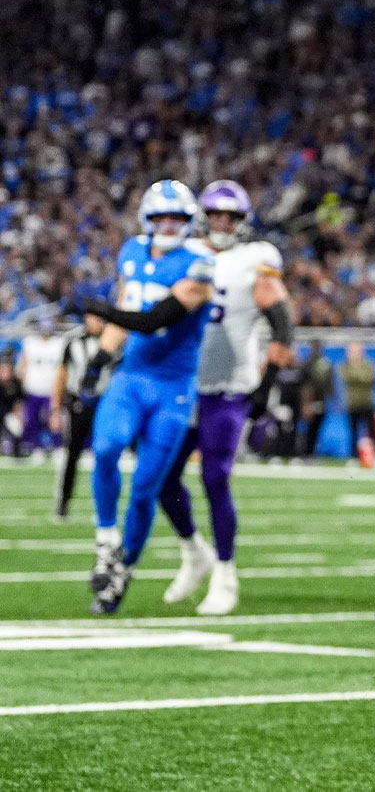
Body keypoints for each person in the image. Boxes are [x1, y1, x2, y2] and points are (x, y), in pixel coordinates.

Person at [147, 181, 293, 616]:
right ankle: (195, 551)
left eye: (229, 216)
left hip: (229, 387)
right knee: (160, 478)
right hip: (182, 385)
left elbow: (282, 323)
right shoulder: (184, 255)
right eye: (214, 215)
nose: (221, 223)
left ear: (243, 220)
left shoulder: (256, 259)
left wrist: (266, 386)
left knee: (214, 479)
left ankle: (226, 572)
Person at [80, 180, 216, 614]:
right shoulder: (132, 251)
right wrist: (99, 358)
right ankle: (106, 541)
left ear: (190, 221)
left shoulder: (200, 264)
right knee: (105, 449)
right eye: (162, 217)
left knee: (144, 489)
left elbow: (154, 318)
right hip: (133, 376)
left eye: (177, 218)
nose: (170, 225)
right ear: (148, 219)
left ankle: (123, 570)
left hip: (173, 388)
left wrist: (99, 312)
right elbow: (127, 307)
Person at [51, 314, 110, 520]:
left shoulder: (112, 340)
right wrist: (55, 408)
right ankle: (63, 503)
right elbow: (62, 375)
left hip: (103, 404)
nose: (97, 322)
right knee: (71, 455)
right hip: (78, 405)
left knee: (104, 455)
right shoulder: (73, 342)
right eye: (94, 318)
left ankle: (104, 507)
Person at [18, 318, 65, 456]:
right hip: (33, 389)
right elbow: (24, 363)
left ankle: (57, 446)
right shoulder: (30, 342)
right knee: (32, 419)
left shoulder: (59, 344)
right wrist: (23, 382)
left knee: (54, 420)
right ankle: (34, 447)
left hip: (51, 389)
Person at [343, 341, 375, 463]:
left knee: (371, 431)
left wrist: (357, 375)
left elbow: (370, 378)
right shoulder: (346, 365)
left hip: (367, 402)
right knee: (353, 432)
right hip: (353, 403)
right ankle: (354, 457)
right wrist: (360, 376)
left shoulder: (368, 364)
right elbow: (347, 377)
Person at [302, 341, 333, 457]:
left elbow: (329, 384)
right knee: (309, 429)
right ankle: (307, 452)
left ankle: (311, 452)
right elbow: (305, 386)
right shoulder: (307, 363)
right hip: (310, 401)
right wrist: (305, 403)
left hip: (321, 401)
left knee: (316, 429)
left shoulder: (325, 364)